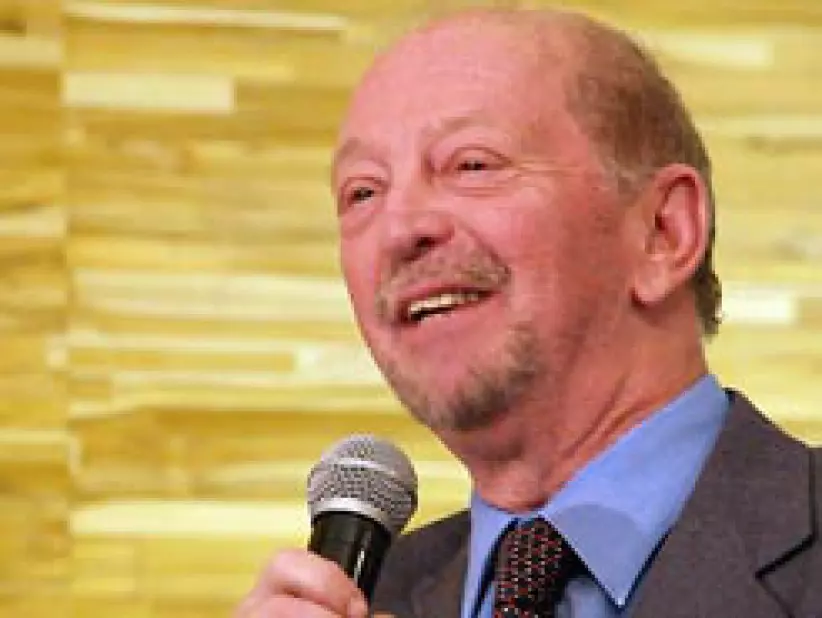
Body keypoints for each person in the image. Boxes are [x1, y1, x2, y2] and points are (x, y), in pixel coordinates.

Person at [236, 7, 821, 618]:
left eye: (471, 165)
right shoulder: (366, 597)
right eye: (362, 192)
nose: (399, 229)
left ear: (662, 232)